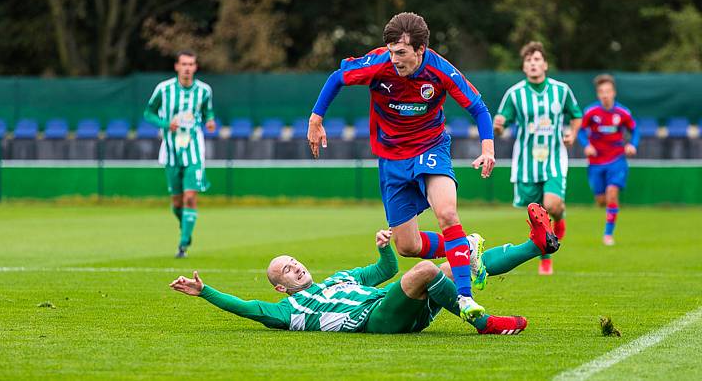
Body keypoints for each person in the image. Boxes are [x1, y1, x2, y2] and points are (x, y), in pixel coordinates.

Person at [306, 12, 496, 321]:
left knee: (447, 213)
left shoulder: (440, 70)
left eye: (402, 53)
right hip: (392, 157)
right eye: (392, 51)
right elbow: (337, 78)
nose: (395, 59)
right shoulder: (378, 62)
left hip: (431, 147)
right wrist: (316, 118)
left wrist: (487, 148)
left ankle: (464, 296)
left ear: (420, 50)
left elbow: (478, 106)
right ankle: (466, 248)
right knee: (408, 245)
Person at [170, 203, 559, 335]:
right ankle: (480, 319)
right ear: (281, 288)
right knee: (426, 268)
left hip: (396, 303)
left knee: (450, 261)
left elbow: (382, 271)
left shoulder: (341, 277)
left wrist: (384, 249)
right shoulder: (289, 310)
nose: (294, 268)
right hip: (376, 319)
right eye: (285, 271)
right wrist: (204, 291)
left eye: (292, 262)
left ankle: (535, 245)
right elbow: (245, 307)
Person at [493, 41, 582, 275]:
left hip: (553, 158)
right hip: (526, 163)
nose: (533, 64)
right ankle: (545, 253)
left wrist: (573, 133)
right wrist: (498, 126)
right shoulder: (515, 94)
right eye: (528, 60)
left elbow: (576, 115)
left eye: (537, 59)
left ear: (545, 64)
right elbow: (502, 124)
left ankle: (558, 221)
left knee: (552, 206)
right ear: (524, 67)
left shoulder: (561, 90)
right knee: (536, 214)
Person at [144, 50, 216, 258]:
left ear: (195, 67)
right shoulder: (163, 89)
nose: (187, 68)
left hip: (194, 149)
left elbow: (207, 111)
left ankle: (183, 244)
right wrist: (166, 124)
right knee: (177, 202)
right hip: (171, 150)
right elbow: (148, 112)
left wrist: (210, 120)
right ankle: (186, 227)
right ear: (177, 66)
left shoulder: (204, 90)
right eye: (183, 64)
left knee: (190, 197)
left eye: (191, 64)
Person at [577, 74, 639, 246]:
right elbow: (581, 131)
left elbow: (635, 130)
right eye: (601, 91)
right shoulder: (591, 112)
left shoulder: (623, 113)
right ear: (598, 94)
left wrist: (632, 144)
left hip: (617, 159)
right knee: (601, 200)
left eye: (608, 91)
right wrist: (586, 144)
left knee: (612, 194)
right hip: (596, 162)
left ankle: (608, 234)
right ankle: (605, 207)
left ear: (614, 93)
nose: (605, 95)